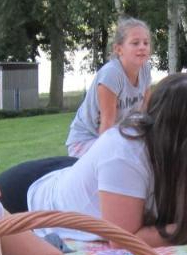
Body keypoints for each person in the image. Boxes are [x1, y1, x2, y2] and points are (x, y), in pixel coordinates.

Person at [0, 73, 187, 247]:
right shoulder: (124, 153)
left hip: (69, 175)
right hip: (24, 199)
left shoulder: (179, 148)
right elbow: (123, 238)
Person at [65, 17, 153, 157]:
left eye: (146, 43)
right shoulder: (111, 74)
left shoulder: (145, 70)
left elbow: (146, 113)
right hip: (87, 140)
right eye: (135, 43)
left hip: (118, 136)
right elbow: (106, 127)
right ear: (119, 49)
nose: (142, 47)